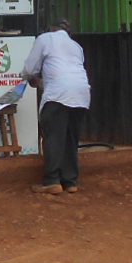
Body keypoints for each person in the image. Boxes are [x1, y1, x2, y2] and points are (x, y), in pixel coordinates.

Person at [18, 18, 92, 194]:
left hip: (57, 96)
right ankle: (70, 181)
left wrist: (27, 77)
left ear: (51, 29)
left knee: (53, 137)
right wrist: (40, 82)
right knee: (70, 138)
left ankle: (52, 180)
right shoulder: (76, 46)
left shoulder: (45, 39)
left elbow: (30, 69)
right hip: (81, 94)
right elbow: (62, 75)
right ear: (69, 32)